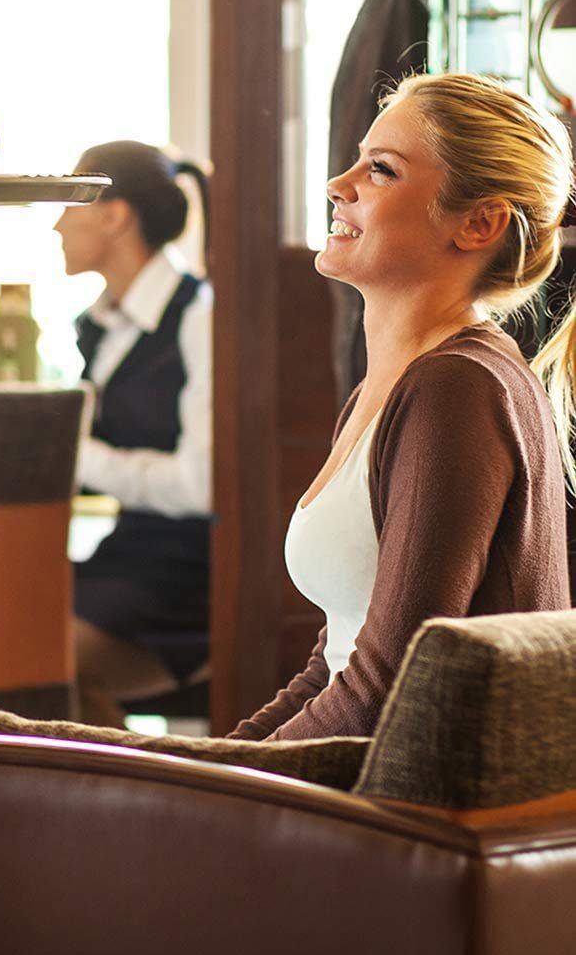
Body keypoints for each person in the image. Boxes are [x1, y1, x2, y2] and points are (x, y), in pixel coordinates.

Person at [233, 72, 572, 741]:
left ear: (479, 223)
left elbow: (387, 689)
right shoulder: (385, 389)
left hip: (422, 815)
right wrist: (214, 763)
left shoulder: (457, 390)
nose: (339, 183)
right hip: (368, 782)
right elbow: (336, 664)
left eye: (381, 170)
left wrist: (216, 792)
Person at [57, 142, 213, 728]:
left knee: (46, 663)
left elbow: (201, 487)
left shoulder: (201, 319)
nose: (56, 221)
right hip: (126, 556)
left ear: (115, 215)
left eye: (70, 202)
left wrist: (77, 456)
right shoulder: (102, 326)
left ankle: (136, 806)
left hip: (189, 572)